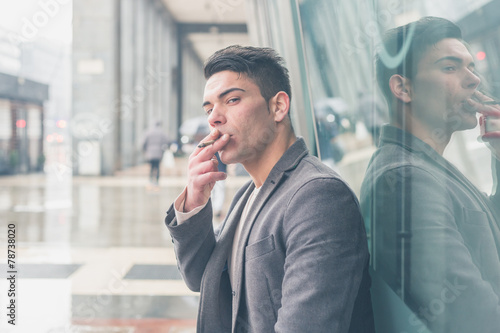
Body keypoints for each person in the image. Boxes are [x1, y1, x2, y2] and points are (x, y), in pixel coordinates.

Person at [164, 45, 374, 332]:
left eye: (232, 100)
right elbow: (201, 277)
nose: (214, 117)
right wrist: (194, 202)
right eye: (209, 108)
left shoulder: (319, 196)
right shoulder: (249, 193)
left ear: (278, 107)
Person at [360, 17, 500, 332]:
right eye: (450, 68)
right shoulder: (403, 181)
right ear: (403, 88)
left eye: (470, 67)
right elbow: (472, 318)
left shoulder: (426, 165)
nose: (473, 80)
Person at [142, 121, 169, 186]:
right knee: (157, 167)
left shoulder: (148, 132)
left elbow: (143, 143)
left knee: (151, 167)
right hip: (158, 152)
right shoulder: (161, 132)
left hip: (150, 153)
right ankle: (156, 180)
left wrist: (145, 150)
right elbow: (167, 141)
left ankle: (151, 179)